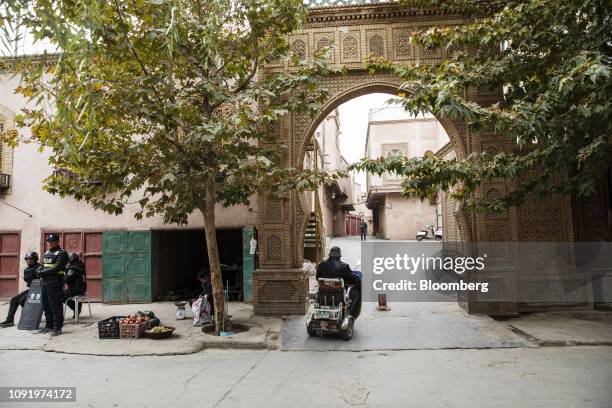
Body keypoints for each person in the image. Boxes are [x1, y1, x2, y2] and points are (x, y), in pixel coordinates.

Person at [37, 234, 68, 336]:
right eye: (49, 241)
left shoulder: (62, 253)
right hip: (45, 283)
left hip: (55, 283)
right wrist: (39, 270)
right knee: (46, 306)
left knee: (55, 306)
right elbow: (42, 265)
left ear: (57, 241)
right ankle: (49, 326)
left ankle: (57, 328)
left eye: (52, 241)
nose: (50, 243)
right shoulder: (47, 253)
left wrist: (43, 273)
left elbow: (58, 267)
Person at [316, 246, 360, 316]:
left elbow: (317, 278)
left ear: (329, 255)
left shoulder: (321, 265)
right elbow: (354, 280)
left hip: (323, 296)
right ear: (339, 256)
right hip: (339, 298)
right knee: (355, 294)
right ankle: (349, 314)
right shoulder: (344, 266)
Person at [0, 251, 41, 327]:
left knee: (22, 301)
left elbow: (29, 278)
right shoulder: (28, 269)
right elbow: (27, 278)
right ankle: (9, 320)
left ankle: (28, 317)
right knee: (14, 300)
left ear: (35, 259)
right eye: (27, 259)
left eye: (31, 259)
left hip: (39, 291)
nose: (29, 260)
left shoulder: (39, 267)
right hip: (31, 289)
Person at [63, 253, 87, 318]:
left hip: (75, 289)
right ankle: (78, 306)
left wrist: (65, 271)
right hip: (82, 288)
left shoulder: (73, 268)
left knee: (61, 295)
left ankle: (76, 308)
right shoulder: (81, 265)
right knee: (65, 293)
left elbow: (66, 279)